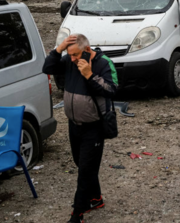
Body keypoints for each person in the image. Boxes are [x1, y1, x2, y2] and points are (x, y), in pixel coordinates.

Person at [42, 34, 117, 223]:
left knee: (85, 170)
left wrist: (90, 75)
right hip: (74, 124)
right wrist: (59, 50)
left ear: (87, 50)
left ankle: (77, 215)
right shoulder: (69, 60)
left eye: (76, 55)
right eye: (70, 54)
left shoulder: (103, 63)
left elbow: (112, 89)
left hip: (94, 127)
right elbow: (47, 68)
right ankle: (96, 199)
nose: (73, 59)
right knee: (81, 164)